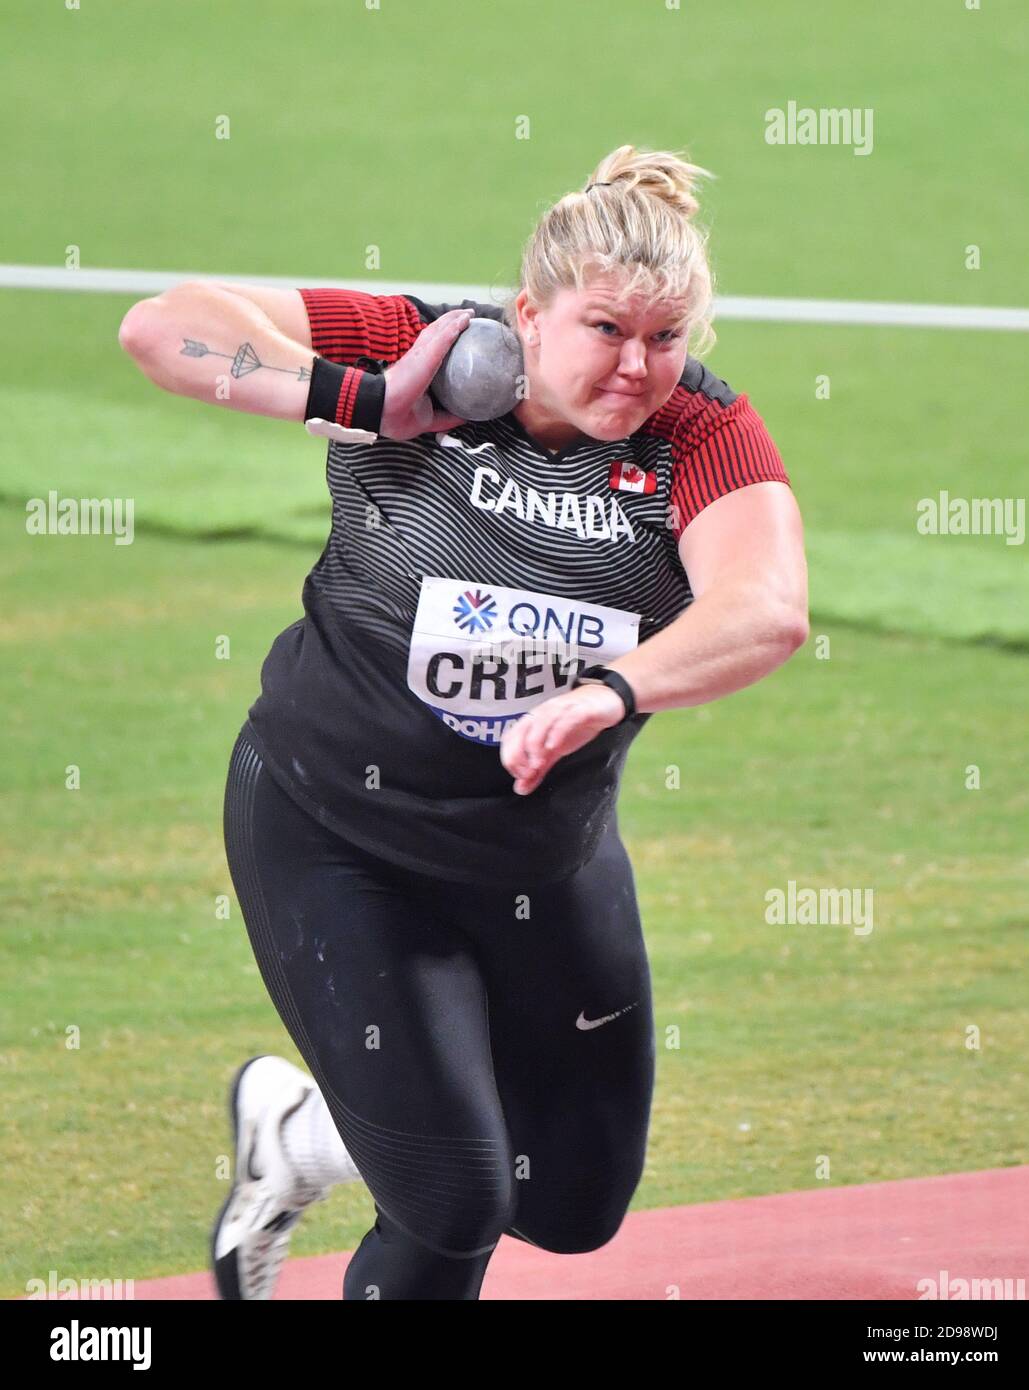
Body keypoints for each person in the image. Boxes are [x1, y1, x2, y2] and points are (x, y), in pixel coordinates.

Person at [118, 143, 809, 1301]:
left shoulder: (697, 432)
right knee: (452, 1203)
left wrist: (613, 689)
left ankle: (298, 1137)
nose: (638, 366)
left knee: (572, 1203)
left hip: (541, 853)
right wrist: (360, 399)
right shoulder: (420, 348)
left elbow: (767, 608)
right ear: (527, 314)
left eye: (666, 337)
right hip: (335, 833)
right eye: (604, 330)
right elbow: (164, 327)